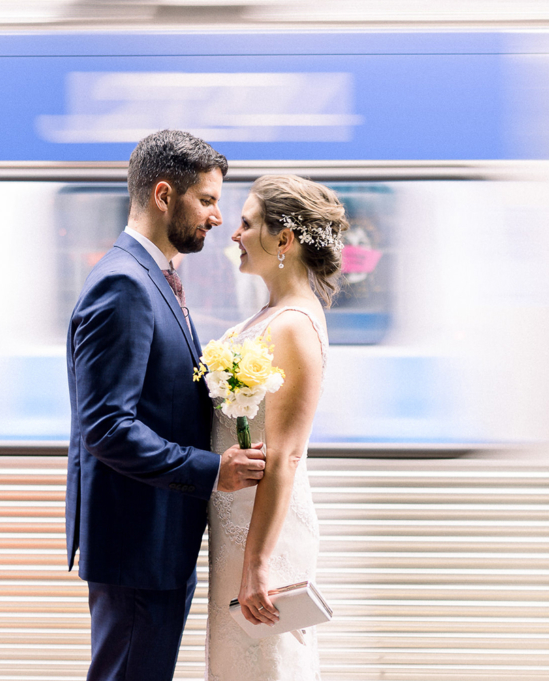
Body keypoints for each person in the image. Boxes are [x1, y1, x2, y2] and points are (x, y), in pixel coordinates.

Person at [65, 129, 268, 681]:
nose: (217, 218)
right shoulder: (125, 285)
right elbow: (107, 427)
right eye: (206, 200)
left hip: (153, 542)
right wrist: (213, 470)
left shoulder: (154, 276)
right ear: (163, 195)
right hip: (138, 547)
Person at [204, 175, 348, 681]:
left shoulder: (293, 325)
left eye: (246, 223)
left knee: (267, 664)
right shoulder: (270, 316)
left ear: (283, 240)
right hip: (240, 524)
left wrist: (259, 562)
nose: (234, 233)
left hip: (265, 533)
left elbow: (285, 455)